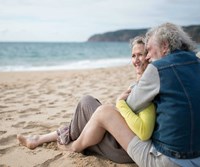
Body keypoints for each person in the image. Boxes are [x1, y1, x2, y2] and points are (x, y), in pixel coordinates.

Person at [57, 22, 200, 167]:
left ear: (164, 46)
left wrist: (120, 101)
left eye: (148, 50)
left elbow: (131, 105)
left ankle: (73, 146)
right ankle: (64, 134)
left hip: (173, 161)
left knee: (105, 111)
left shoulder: (159, 68)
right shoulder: (199, 63)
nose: (147, 56)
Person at [17, 36, 155, 163]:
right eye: (133, 56)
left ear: (148, 57)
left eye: (140, 55)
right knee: (87, 103)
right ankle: (42, 138)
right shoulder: (137, 84)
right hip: (118, 136)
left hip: (124, 147)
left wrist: (120, 105)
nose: (136, 60)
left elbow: (141, 129)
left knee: (87, 112)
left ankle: (50, 140)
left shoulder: (147, 87)